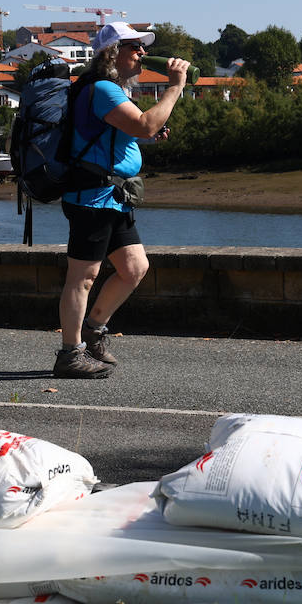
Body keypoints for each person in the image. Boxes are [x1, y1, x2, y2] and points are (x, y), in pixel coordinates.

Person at [53, 21, 190, 379]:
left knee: (134, 268)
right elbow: (143, 124)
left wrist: (145, 136)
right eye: (134, 47)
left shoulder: (109, 90)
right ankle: (69, 354)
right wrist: (175, 88)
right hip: (91, 196)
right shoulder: (102, 89)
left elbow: (129, 132)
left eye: (142, 47)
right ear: (112, 53)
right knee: (83, 277)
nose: (142, 53)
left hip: (113, 196)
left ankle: (93, 331)